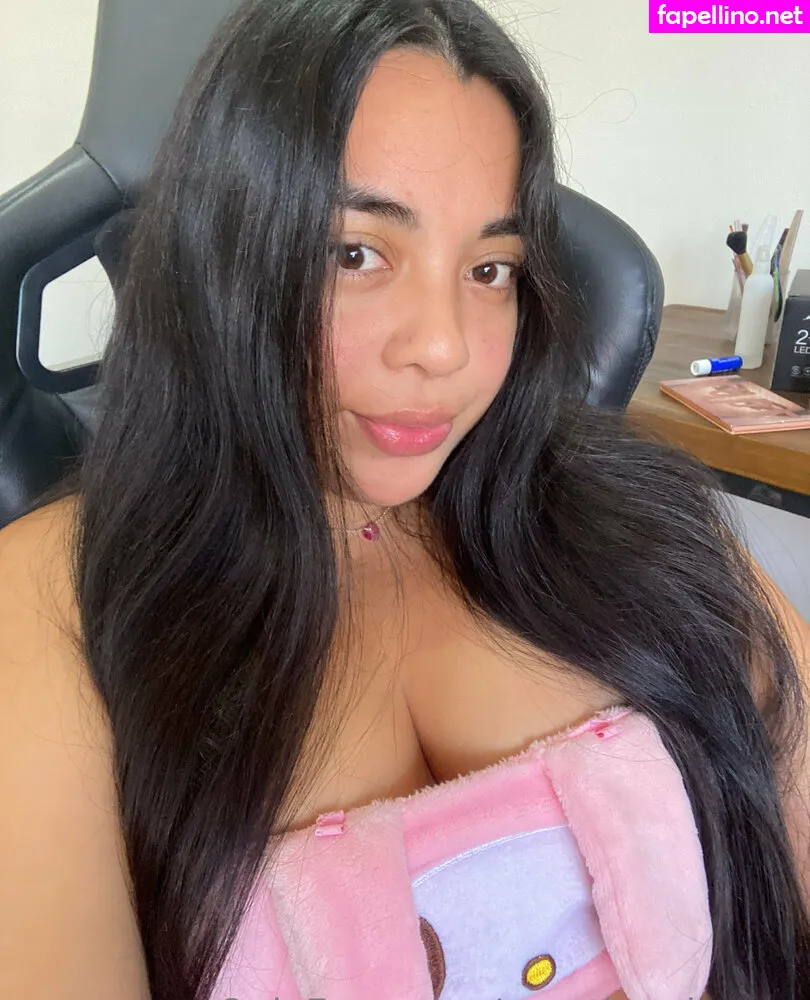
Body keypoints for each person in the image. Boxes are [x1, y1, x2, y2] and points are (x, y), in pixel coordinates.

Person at [1, 1, 809, 999]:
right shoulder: (53, 604)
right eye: (356, 253)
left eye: (490, 269)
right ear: (223, 255)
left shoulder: (641, 516)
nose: (443, 345)